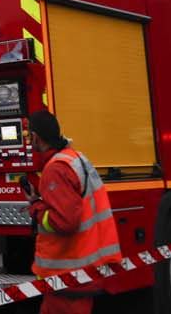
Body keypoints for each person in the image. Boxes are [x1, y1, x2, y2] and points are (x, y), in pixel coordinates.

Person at [24, 111, 121, 314]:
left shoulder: (55, 169)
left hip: (66, 275)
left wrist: (36, 208)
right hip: (81, 271)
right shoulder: (74, 158)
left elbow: (66, 222)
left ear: (36, 137)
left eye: (27, 136)